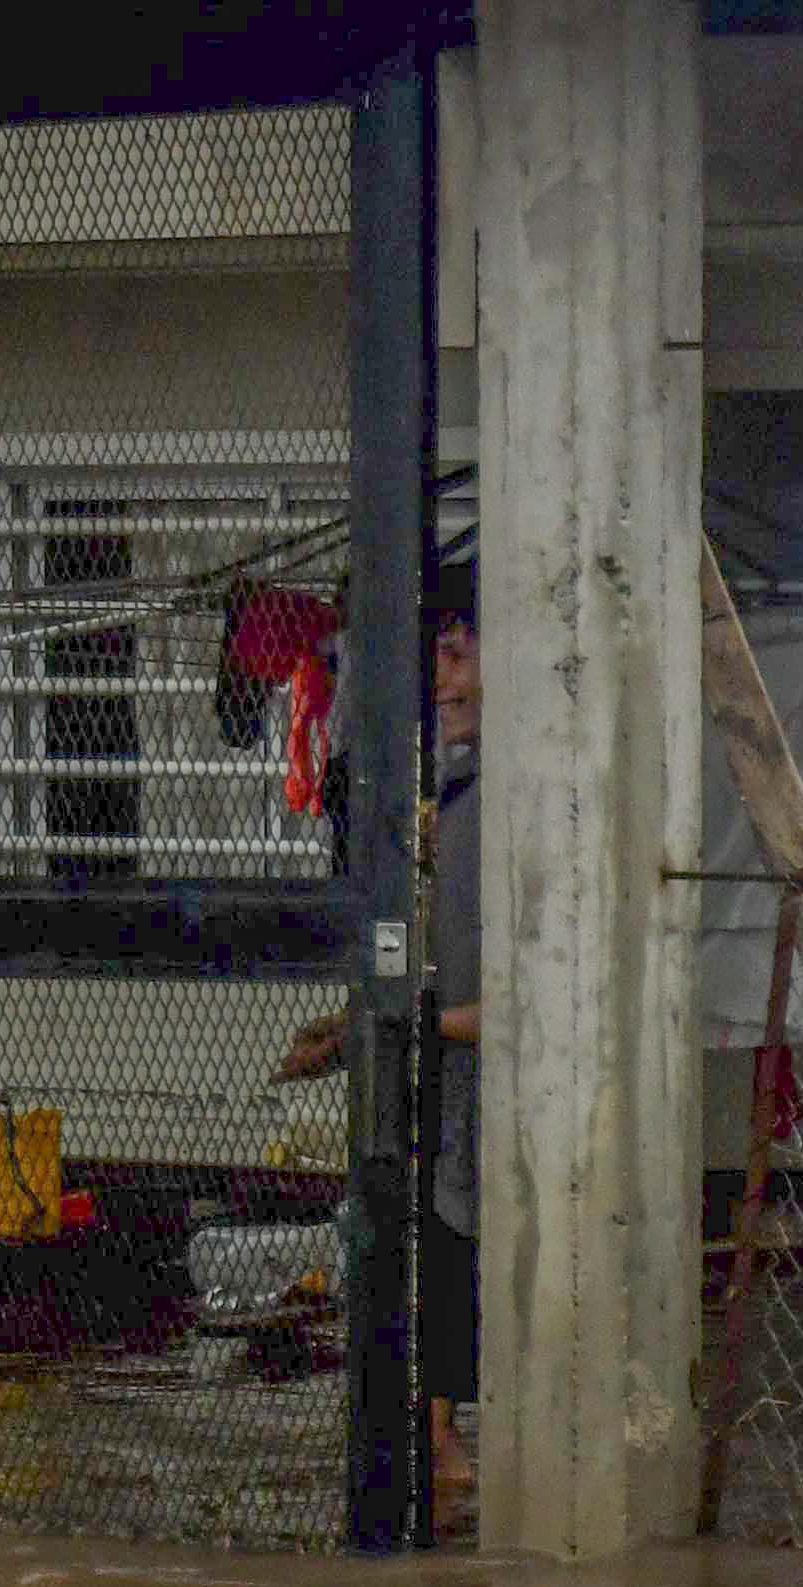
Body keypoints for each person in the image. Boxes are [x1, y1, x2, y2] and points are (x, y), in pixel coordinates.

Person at [283, 560, 483, 1521]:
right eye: (430, 659)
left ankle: (452, 1431)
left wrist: (397, 1026)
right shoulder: (422, 797)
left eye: (456, 656)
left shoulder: (520, 800)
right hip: (441, 1072)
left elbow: (537, 992)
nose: (441, 680)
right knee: (430, 1233)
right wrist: (367, 1025)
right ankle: (434, 1429)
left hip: (497, 1074)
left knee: (468, 1234)